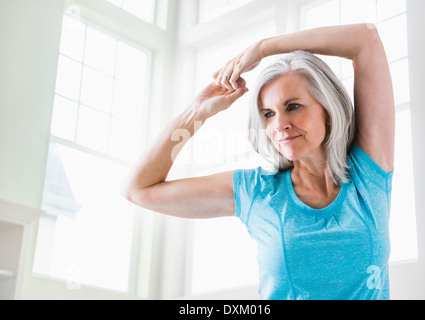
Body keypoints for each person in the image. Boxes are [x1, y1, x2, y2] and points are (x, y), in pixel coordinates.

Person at [120, 23, 395, 300]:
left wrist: (264, 48)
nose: (280, 125)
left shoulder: (368, 174)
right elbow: (138, 189)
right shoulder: (257, 192)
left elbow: (366, 39)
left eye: (293, 106)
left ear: (327, 109)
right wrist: (196, 113)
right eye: (268, 113)